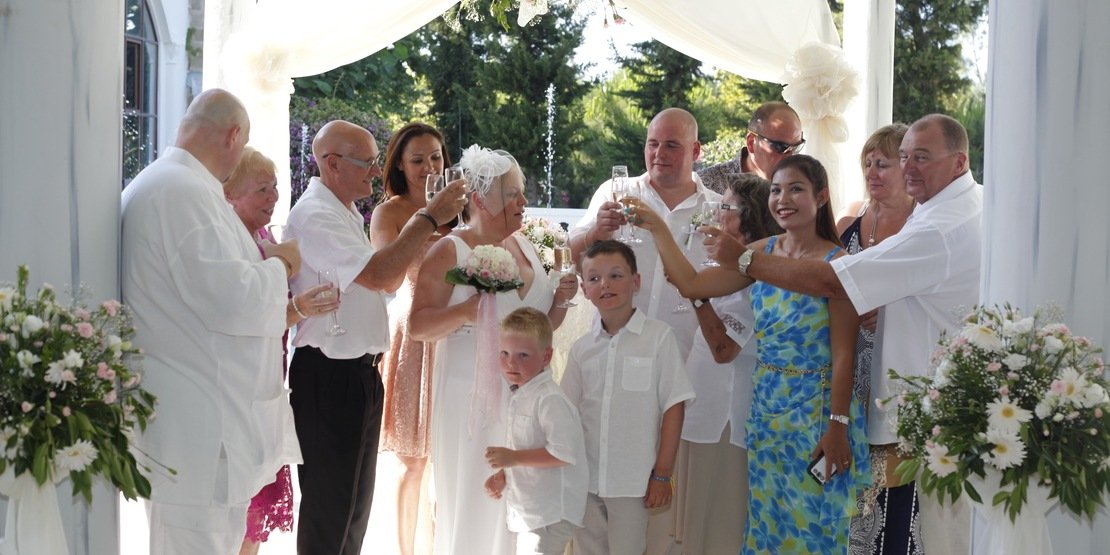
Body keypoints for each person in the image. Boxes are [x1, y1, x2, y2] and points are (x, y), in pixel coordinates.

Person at [707, 114, 981, 554]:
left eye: (920, 158)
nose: (907, 167)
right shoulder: (953, 206)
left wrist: (742, 262)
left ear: (959, 162)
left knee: (894, 533)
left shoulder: (938, 225)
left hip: (906, 412)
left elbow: (835, 283)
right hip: (793, 405)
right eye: (903, 156)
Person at [655, 155, 870, 552]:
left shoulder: (837, 262)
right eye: (775, 190)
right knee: (766, 524)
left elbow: (844, 354)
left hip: (817, 414)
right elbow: (691, 284)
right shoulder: (759, 251)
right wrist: (655, 227)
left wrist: (837, 427)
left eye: (795, 189)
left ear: (820, 197)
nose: (782, 199)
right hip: (767, 410)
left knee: (811, 528)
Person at [121, 88, 303, 554]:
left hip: (203, 423)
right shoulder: (181, 191)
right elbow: (233, 301)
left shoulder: (179, 186)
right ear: (233, 135)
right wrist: (281, 264)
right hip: (201, 432)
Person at [285, 120, 467, 555]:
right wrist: (427, 218)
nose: (373, 171)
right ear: (331, 164)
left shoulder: (343, 209)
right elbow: (385, 277)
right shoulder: (314, 214)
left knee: (353, 513)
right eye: (365, 162)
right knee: (330, 515)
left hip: (358, 374)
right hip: (329, 375)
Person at [410, 145, 578, 555]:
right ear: (481, 200)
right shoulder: (449, 250)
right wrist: (468, 311)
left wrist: (557, 302)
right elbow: (417, 326)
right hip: (470, 393)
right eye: (513, 194)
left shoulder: (525, 246)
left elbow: (538, 332)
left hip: (527, 395)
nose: (523, 202)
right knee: (474, 494)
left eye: (521, 192)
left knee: (521, 495)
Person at [632, 172, 781, 554]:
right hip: (704, 414)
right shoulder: (731, 269)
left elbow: (723, 348)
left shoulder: (755, 273)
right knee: (688, 529)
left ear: (748, 218)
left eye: (725, 208)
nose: (715, 215)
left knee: (719, 529)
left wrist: (697, 299)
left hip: (727, 420)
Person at [222, 146, 339, 554]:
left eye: (274, 187)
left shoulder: (265, 238)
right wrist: (296, 304)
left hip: (268, 387)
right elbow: (246, 317)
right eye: (261, 189)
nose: (273, 197)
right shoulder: (233, 247)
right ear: (229, 195)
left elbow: (271, 315)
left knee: (254, 517)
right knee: (239, 512)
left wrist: (300, 307)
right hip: (239, 395)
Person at [560, 240, 695, 555]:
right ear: (584, 288)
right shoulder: (582, 349)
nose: (605, 284)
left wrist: (662, 474)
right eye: (594, 279)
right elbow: (566, 413)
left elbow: (674, 407)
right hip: (586, 479)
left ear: (636, 282)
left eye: (616, 275)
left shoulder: (658, 339)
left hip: (633, 482)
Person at [833, 124, 922, 554]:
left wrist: (881, 311)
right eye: (867, 163)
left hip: (896, 367)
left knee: (894, 486)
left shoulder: (919, 227)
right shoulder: (848, 224)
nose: (873, 171)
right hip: (851, 368)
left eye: (882, 163)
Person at [570, 107, 721, 359]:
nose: (659, 153)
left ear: (695, 151)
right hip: (614, 353)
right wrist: (595, 233)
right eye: (653, 144)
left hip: (688, 359)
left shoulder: (715, 209)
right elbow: (566, 259)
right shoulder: (615, 193)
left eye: (672, 145)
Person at [370, 122, 453, 555]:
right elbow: (389, 277)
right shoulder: (390, 212)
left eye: (435, 157)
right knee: (413, 459)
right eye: (417, 160)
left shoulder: (464, 208)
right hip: (413, 336)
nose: (428, 167)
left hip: (456, 333)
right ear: (400, 165)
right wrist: (427, 220)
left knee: (454, 454)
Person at [483, 307, 588, 555]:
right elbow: (525, 444)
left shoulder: (549, 399)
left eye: (523, 355)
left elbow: (563, 454)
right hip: (531, 511)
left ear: (546, 356)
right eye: (505, 353)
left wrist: (514, 458)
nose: (511, 362)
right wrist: (505, 475)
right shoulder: (521, 394)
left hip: (549, 514)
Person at [698, 101, 805, 193]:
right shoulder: (705, 187)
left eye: (796, 148)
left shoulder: (803, 189)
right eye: (780, 147)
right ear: (751, 143)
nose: (791, 157)